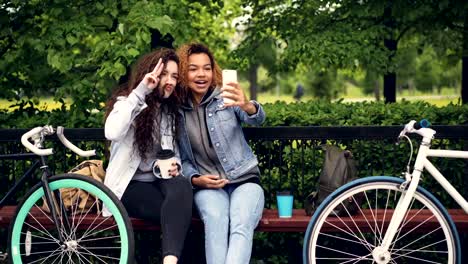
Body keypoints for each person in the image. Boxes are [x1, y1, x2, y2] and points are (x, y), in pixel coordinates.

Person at [176, 43, 265, 264]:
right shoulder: (176, 111)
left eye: (207, 68)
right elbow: (181, 160)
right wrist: (196, 180)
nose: (201, 74)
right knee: (215, 219)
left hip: (244, 179)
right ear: (183, 73)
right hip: (207, 185)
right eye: (193, 68)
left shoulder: (226, 97)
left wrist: (246, 105)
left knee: (241, 221)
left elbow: (257, 118)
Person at [104, 48, 192, 264]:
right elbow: (112, 132)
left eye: (174, 76)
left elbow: (172, 153)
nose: (170, 81)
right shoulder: (128, 101)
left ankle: (169, 261)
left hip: (157, 181)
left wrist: (175, 166)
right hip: (129, 186)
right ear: (151, 73)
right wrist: (141, 91)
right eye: (164, 74)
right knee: (181, 214)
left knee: (182, 186)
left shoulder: (169, 111)